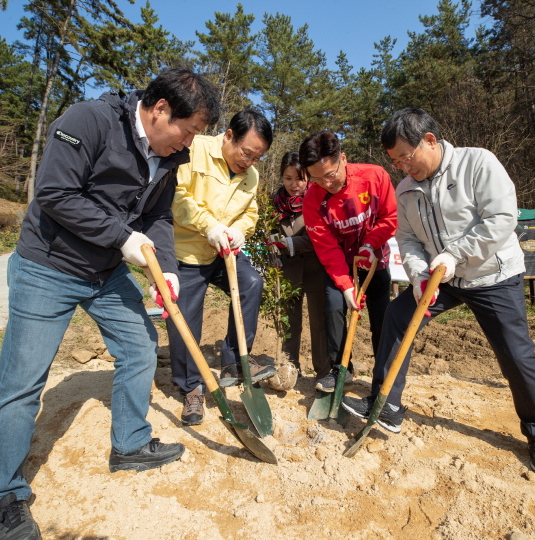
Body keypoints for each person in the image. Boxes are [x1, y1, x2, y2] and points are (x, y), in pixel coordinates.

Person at [0, 68, 221, 540]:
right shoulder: (88, 120)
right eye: (188, 131)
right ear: (160, 110)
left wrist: (165, 265)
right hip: (48, 266)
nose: (189, 144)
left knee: (139, 345)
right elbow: (54, 193)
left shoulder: (170, 155)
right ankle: (2, 497)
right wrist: (122, 238)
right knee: (22, 382)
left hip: (105, 272)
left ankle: (129, 443)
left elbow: (156, 217)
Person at [342, 107, 535, 478]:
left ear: (429, 140)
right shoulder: (407, 189)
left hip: (491, 275)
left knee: (515, 354)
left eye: (406, 158)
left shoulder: (477, 163)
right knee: (398, 317)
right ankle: (387, 405)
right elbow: (408, 239)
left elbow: (501, 218)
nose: (402, 168)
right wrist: (415, 273)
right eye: (395, 162)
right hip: (440, 278)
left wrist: (455, 253)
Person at [166, 108, 275, 426]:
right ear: (229, 136)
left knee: (252, 283)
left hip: (224, 252)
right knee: (185, 323)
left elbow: (250, 213)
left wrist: (240, 230)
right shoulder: (194, 149)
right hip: (187, 252)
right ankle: (191, 389)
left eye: (258, 158)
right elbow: (176, 196)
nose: (250, 162)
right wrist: (209, 226)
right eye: (247, 153)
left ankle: (234, 362)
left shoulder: (250, 176)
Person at [300, 130, 397, 392]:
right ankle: (340, 368)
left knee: (381, 318)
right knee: (332, 308)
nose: (326, 183)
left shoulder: (375, 177)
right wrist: (345, 285)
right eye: (316, 178)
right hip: (339, 267)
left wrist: (369, 244)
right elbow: (326, 247)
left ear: (343, 158)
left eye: (330, 174)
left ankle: (384, 372)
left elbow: (390, 218)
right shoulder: (312, 200)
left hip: (375, 260)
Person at [267, 151, 329, 384]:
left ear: (309, 178)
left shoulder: (320, 200)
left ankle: (324, 371)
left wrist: (291, 243)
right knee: (289, 322)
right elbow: (265, 234)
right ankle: (289, 367)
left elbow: (324, 235)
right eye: (288, 178)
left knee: (319, 321)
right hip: (287, 270)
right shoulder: (273, 203)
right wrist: (271, 252)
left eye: (300, 178)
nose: (294, 185)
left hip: (317, 269)